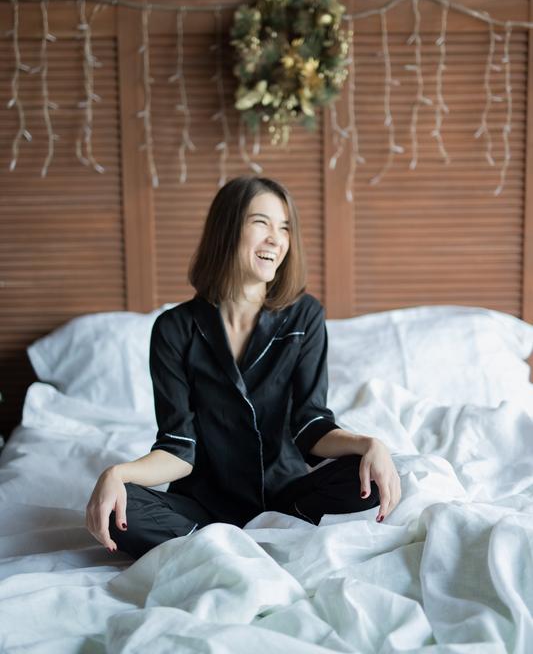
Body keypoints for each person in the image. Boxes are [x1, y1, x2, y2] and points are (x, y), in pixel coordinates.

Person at [86, 175, 401, 559]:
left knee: (370, 474)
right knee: (120, 509)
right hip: (203, 506)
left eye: (284, 228)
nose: (276, 239)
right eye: (261, 223)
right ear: (227, 229)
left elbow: (310, 425)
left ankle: (227, 544)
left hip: (286, 500)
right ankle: (231, 545)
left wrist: (369, 444)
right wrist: (117, 473)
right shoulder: (174, 329)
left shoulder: (304, 316)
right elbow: (178, 448)